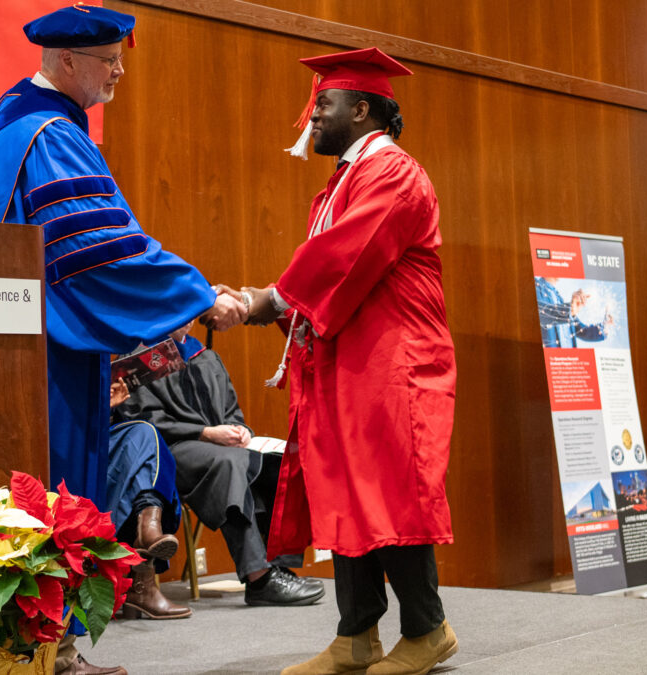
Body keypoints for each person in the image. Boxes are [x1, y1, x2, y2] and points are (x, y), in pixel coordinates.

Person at [0, 5, 246, 674]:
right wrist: (198, 293)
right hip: (47, 353)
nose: (120, 71)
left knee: (29, 497)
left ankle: (43, 649)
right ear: (66, 60)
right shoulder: (48, 133)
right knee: (52, 493)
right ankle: (52, 651)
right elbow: (99, 253)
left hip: (5, 344)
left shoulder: (7, 122)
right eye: (110, 61)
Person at [230, 47, 458, 675]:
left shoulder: (394, 174)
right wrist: (262, 300)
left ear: (362, 110)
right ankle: (356, 635)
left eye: (323, 105)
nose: (311, 119)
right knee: (347, 491)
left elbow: (344, 257)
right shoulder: (346, 179)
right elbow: (329, 271)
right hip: (350, 356)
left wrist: (263, 300)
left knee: (388, 492)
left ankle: (428, 629)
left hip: (395, 361)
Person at [115, 322, 326, 607]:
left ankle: (278, 566)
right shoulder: (143, 360)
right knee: (230, 464)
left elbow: (231, 412)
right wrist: (205, 433)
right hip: (170, 451)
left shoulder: (206, 356)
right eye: (182, 311)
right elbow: (144, 420)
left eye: (192, 312)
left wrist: (240, 431)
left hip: (221, 449)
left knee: (280, 464)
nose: (188, 319)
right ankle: (259, 577)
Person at [105, 379, 192, 621]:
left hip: (108, 443)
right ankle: (142, 585)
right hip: (78, 450)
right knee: (146, 439)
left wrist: (109, 405)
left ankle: (148, 525)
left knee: (144, 439)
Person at [535, 277, 612, 348]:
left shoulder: (559, 298)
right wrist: (569, 310)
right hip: (552, 359)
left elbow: (582, 331)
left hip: (569, 359)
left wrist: (605, 326)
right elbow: (541, 314)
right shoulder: (536, 286)